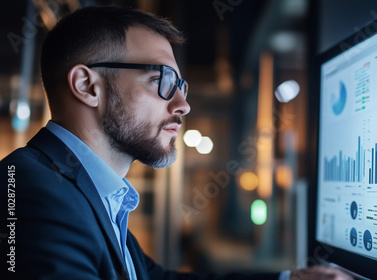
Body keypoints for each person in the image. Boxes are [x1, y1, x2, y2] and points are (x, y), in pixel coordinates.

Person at [0, 6, 353, 280]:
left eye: (181, 87)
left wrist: (287, 277)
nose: (182, 105)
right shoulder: (33, 189)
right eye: (161, 79)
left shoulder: (91, 192)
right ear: (88, 86)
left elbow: (153, 277)